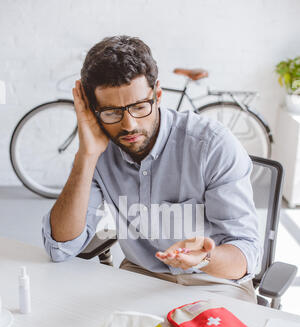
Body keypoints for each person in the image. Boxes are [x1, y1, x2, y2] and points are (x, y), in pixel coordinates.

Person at [42, 35, 261, 303]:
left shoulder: (211, 145)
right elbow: (60, 247)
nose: (129, 125)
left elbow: (246, 254)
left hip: (215, 284)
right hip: (140, 280)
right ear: (92, 109)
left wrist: (204, 257)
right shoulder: (99, 151)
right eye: (111, 112)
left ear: (157, 95)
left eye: (139, 106)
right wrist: (86, 155)